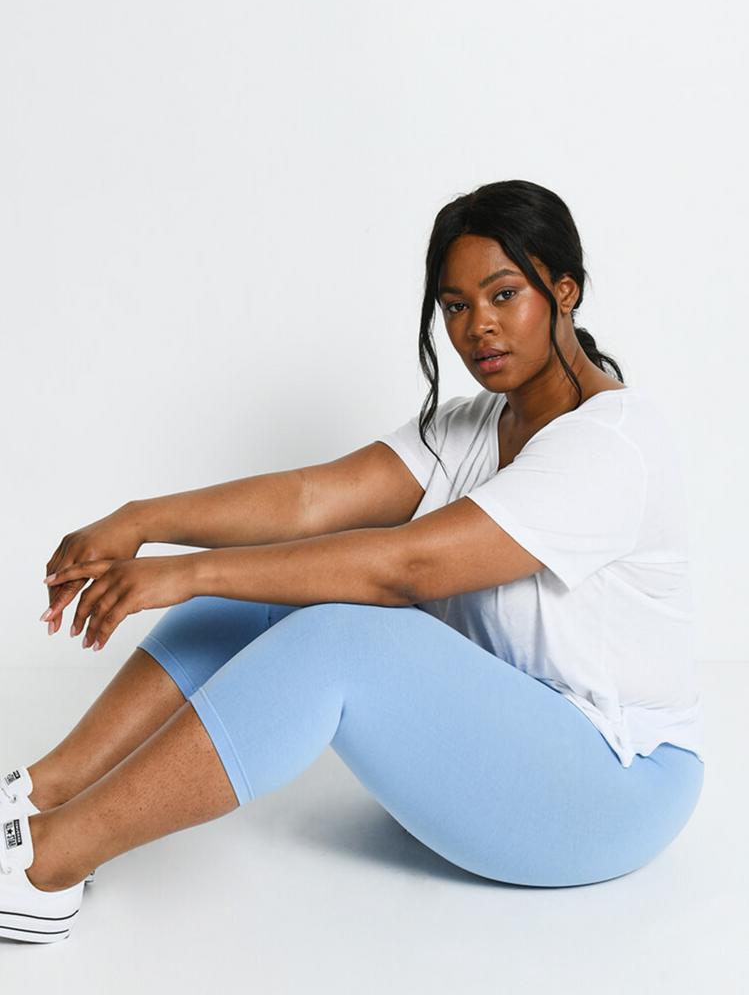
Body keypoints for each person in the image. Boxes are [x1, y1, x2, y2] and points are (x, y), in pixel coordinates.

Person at [0, 180, 705, 944]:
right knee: (255, 598)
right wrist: (140, 522)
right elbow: (308, 499)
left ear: (563, 291)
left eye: (504, 294)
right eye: (456, 305)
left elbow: (406, 570)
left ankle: (47, 867)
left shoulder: (608, 446)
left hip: (610, 790)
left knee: (339, 632)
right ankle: (39, 797)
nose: (479, 327)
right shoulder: (474, 425)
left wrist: (185, 570)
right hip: (502, 754)